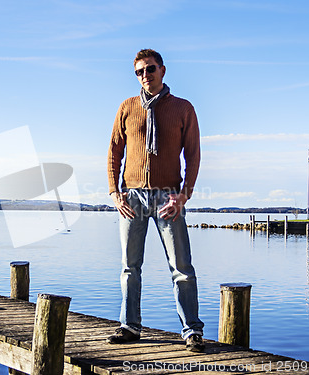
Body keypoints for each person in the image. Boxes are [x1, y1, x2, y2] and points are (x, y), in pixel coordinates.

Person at [106, 48, 204, 352]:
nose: (144, 75)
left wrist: (183, 195)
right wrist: (114, 192)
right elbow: (113, 152)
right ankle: (129, 326)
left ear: (162, 70)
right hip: (131, 197)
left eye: (149, 69)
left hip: (168, 198)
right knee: (129, 266)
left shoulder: (183, 108)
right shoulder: (127, 107)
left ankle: (191, 331)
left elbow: (193, 154)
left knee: (182, 268)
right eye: (139, 71)